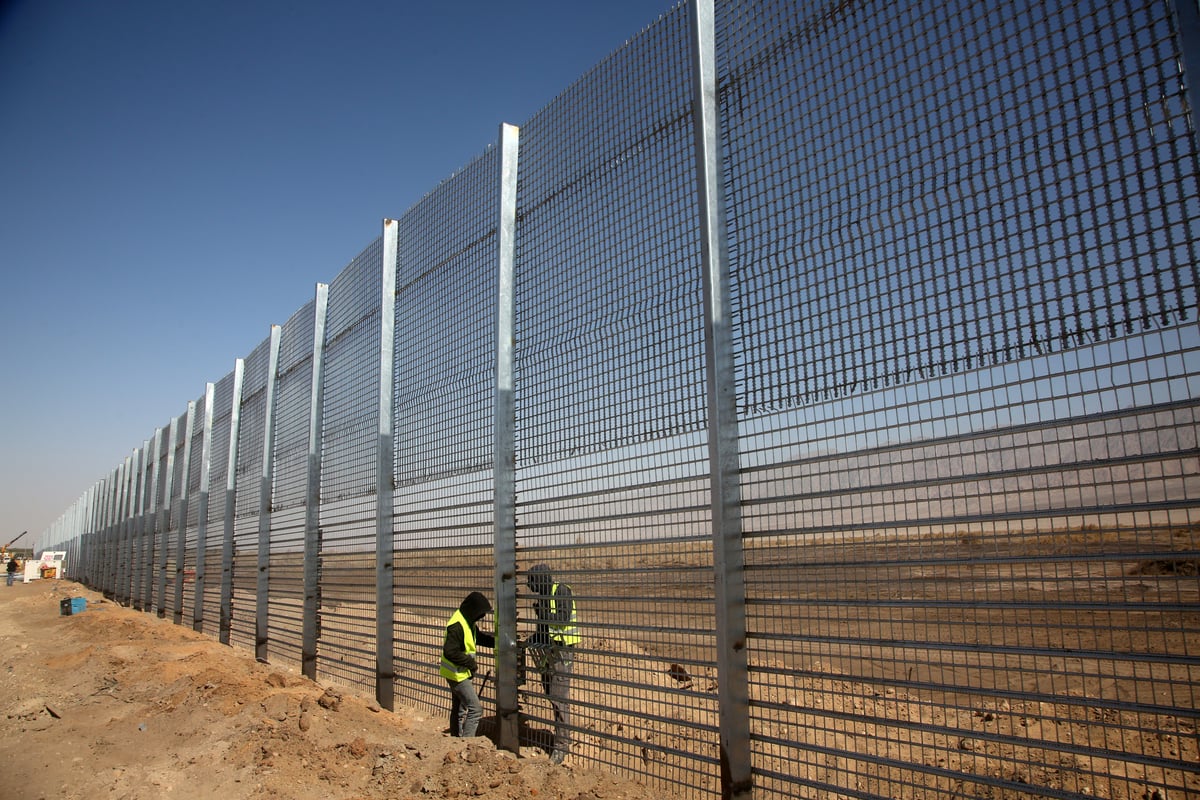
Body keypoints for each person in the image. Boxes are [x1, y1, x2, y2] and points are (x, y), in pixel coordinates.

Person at [525, 563, 580, 764]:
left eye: (531, 582)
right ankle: (560, 736)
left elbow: (563, 620)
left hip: (562, 651)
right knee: (551, 695)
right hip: (549, 651)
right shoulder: (543, 597)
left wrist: (542, 614)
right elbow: (543, 628)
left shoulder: (561, 591)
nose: (529, 586)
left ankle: (561, 746)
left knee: (559, 697)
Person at [440, 591, 495, 738]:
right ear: (473, 610)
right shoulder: (457, 625)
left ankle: (455, 739)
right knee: (475, 709)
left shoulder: (467, 621)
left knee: (458, 709)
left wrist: (496, 642)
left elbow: (479, 638)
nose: (482, 617)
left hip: (459, 672)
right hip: (457, 675)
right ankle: (467, 744)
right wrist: (470, 663)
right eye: (480, 613)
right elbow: (449, 652)